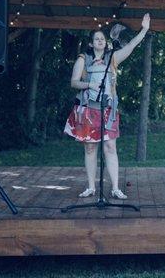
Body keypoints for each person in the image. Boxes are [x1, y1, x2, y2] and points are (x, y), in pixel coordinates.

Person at [64, 14, 150, 199]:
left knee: (110, 147)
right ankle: (91, 187)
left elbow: (131, 45)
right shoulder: (83, 59)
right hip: (88, 109)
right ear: (92, 43)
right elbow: (73, 82)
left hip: (108, 110)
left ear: (106, 42)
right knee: (90, 148)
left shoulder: (113, 58)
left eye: (103, 38)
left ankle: (115, 188)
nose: (100, 41)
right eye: (97, 38)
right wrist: (89, 85)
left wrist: (144, 30)